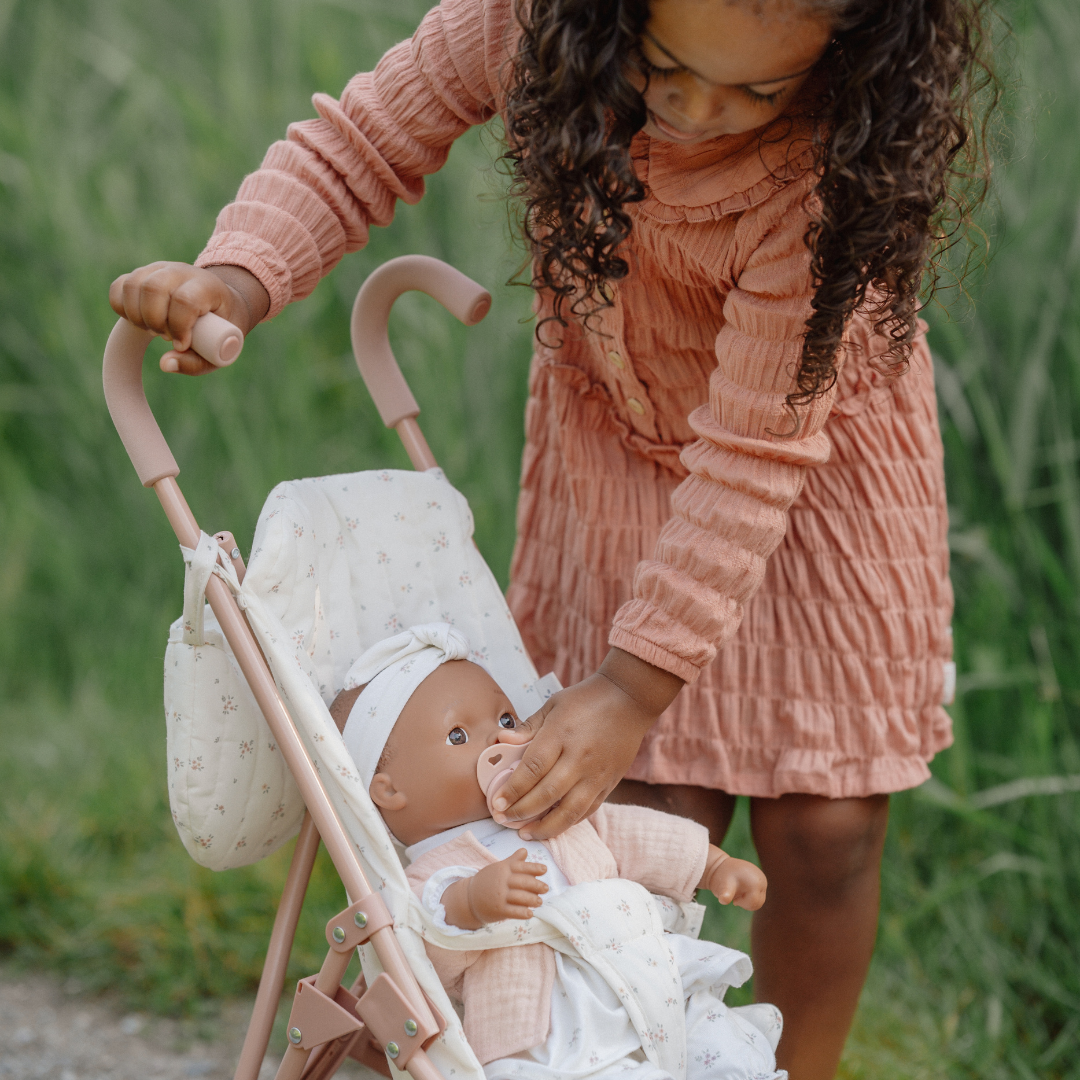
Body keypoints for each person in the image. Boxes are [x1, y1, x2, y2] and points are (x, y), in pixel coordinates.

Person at [109, 1, 993, 1075]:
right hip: (614, 454)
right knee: (642, 799)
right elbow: (360, 146)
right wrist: (241, 275)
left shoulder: (826, 179)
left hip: (816, 475)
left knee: (827, 827)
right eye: (665, 69)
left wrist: (631, 685)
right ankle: (618, 1053)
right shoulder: (523, 25)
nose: (700, 114)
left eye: (761, 93)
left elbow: (755, 455)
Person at [330, 622, 784, 1080]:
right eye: (458, 736)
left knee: (716, 1035)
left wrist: (713, 864)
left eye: (506, 720)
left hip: (643, 979)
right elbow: (425, 951)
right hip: (548, 1036)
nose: (499, 740)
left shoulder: (548, 813)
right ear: (387, 790)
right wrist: (472, 902)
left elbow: (633, 833)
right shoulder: (427, 876)